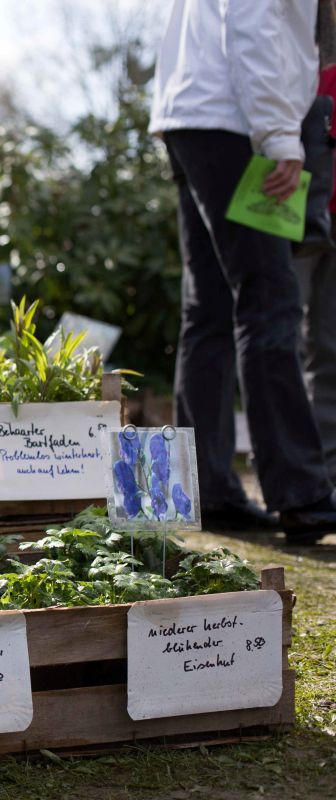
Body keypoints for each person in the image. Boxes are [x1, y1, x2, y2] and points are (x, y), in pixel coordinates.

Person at [151, 0, 336, 542]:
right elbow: (254, 26)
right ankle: (301, 493)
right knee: (270, 298)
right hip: (237, 124)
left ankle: (208, 490)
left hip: (191, 119)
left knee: (210, 308)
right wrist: (281, 136)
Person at [292, 63, 336, 482]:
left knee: (327, 344)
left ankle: (325, 468)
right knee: (284, 336)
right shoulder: (310, 63)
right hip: (296, 209)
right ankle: (298, 465)